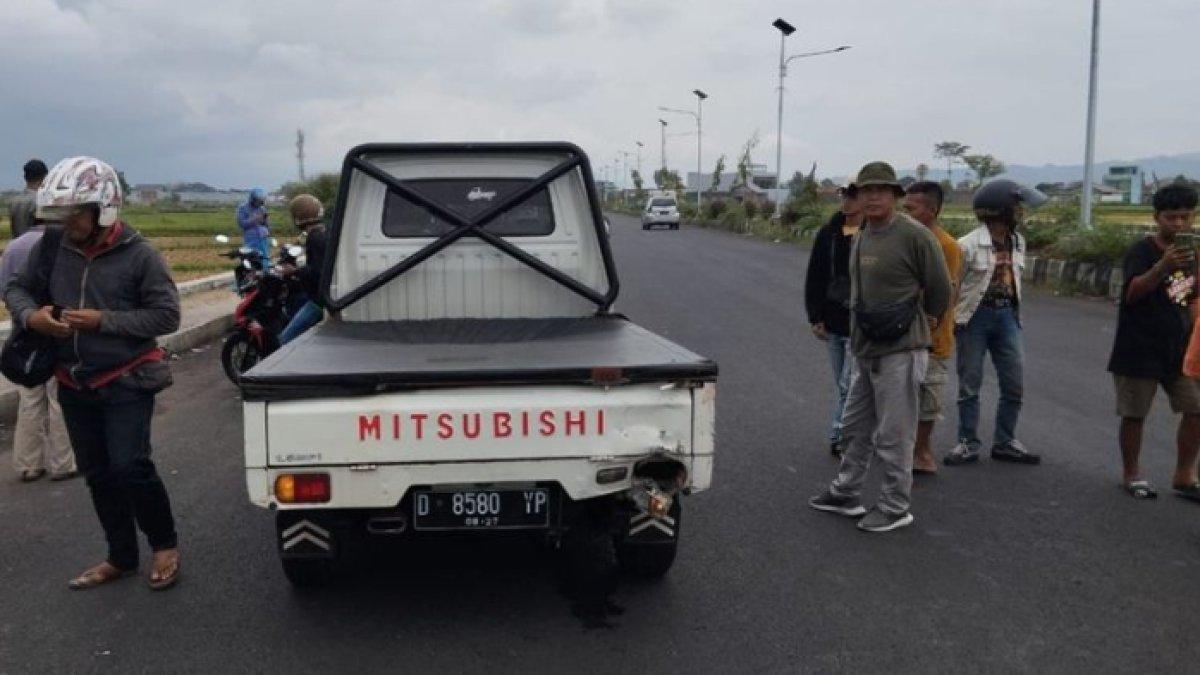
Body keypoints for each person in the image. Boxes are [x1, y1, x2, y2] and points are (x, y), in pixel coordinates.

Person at [6, 156, 183, 591]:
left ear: (104, 209)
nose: (66, 224)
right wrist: (32, 318)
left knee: (131, 467)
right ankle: (120, 556)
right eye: (60, 214)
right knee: (98, 474)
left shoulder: (141, 256)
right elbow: (16, 288)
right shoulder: (52, 247)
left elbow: (165, 316)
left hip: (126, 379)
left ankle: (164, 546)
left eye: (75, 214)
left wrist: (103, 321)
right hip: (72, 380)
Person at [809, 162, 952, 533]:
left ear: (894, 196)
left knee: (895, 433)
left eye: (881, 190)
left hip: (902, 349)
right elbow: (857, 294)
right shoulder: (861, 235)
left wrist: (928, 324)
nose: (872, 197)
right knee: (855, 427)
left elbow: (940, 289)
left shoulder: (915, 236)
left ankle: (895, 505)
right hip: (865, 348)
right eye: (865, 190)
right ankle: (846, 492)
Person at [1107, 183, 1200, 501]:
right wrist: (1163, 267)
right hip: (1139, 346)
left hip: (1178, 348)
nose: (1178, 224)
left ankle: (1185, 474)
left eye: (1185, 218)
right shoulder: (1142, 251)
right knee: (1135, 413)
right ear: (1157, 217)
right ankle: (1132, 473)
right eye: (1171, 218)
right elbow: (1131, 294)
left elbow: (1189, 297)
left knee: (1195, 409)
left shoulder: (1192, 254)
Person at [945, 179, 1047, 466]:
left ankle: (1005, 441)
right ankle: (967, 442)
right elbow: (953, 286)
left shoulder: (1018, 242)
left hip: (1007, 317)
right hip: (973, 318)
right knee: (970, 385)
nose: (1021, 211)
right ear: (1000, 210)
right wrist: (949, 322)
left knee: (1014, 383)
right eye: (1016, 206)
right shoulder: (966, 245)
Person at [0, 215, 77, 482]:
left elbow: (8, 290)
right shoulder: (58, 243)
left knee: (30, 399)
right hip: (53, 330)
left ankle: (28, 464)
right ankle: (63, 463)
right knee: (58, 398)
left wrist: (25, 316)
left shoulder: (13, 246)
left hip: (24, 333)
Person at [903, 181, 962, 475]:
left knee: (929, 398)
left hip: (932, 338)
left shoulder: (946, 246)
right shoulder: (900, 239)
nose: (905, 213)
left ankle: (921, 450)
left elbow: (943, 294)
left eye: (911, 208)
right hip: (901, 335)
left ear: (932, 210)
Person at [804, 184, 862, 457]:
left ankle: (840, 434)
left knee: (848, 384)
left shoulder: (872, 235)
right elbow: (815, 276)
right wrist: (815, 316)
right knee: (843, 381)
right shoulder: (829, 233)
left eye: (853, 197)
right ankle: (855, 431)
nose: (847, 202)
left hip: (859, 323)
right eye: (845, 196)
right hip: (833, 319)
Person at [278, 194, 328, 345]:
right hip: (325, 296)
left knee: (285, 339)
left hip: (319, 301)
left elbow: (318, 272)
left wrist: (294, 271)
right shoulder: (324, 231)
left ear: (299, 217)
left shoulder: (314, 238)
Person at [8, 159, 48, 239]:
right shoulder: (41, 201)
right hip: (35, 248)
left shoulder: (14, 201)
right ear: (44, 177)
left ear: (25, 177)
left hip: (16, 247)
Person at [236, 187, 271, 261]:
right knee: (251, 259)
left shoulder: (262, 208)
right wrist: (254, 219)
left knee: (264, 259)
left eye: (261, 201)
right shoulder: (243, 208)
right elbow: (242, 223)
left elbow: (267, 225)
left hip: (263, 238)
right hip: (251, 239)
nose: (259, 203)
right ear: (253, 199)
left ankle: (265, 271)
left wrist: (265, 220)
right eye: (258, 200)